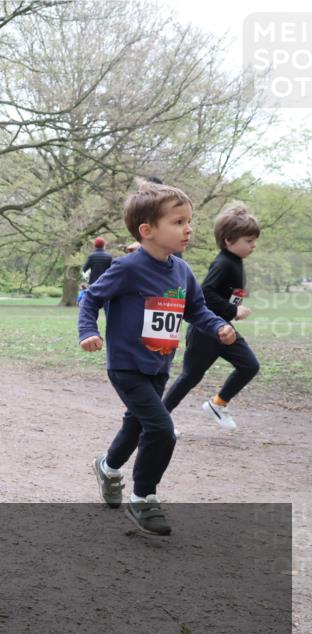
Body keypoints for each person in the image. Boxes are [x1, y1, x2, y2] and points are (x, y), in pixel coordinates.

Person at [78, 181, 236, 536]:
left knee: (136, 425)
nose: (189, 228)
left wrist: (218, 326)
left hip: (159, 366)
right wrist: (88, 331)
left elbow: (197, 310)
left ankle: (108, 467)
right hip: (126, 366)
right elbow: (91, 299)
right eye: (178, 222)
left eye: (189, 221)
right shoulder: (128, 268)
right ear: (147, 231)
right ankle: (143, 498)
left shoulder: (182, 271)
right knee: (162, 429)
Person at [163, 204, 261, 432]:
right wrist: (233, 310)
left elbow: (224, 295)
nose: (253, 245)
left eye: (254, 240)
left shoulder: (235, 262)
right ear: (229, 240)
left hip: (223, 329)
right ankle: (156, 420)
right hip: (206, 330)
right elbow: (205, 294)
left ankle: (217, 404)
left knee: (249, 365)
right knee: (190, 377)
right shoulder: (223, 263)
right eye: (248, 240)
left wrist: (233, 308)